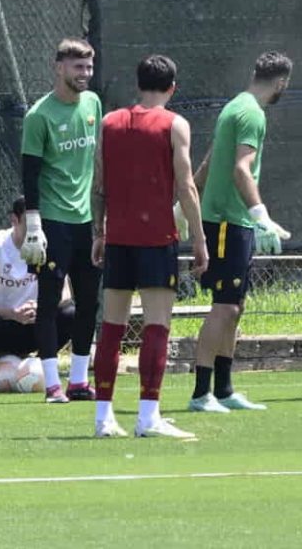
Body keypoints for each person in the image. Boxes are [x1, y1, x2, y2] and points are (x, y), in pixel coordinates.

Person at [90, 55, 208, 438]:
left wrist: (98, 233)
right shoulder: (175, 124)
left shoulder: (109, 123)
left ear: (138, 84)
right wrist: (200, 238)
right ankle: (148, 416)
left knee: (112, 328)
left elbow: (98, 184)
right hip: (156, 239)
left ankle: (103, 418)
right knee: (157, 325)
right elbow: (186, 185)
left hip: (118, 238)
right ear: (172, 88)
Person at [188, 51, 293, 414]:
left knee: (235, 307)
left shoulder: (235, 107)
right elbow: (240, 169)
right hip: (226, 222)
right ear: (281, 82)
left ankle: (224, 389)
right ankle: (201, 394)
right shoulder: (251, 113)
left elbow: (210, 160)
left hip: (233, 222)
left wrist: (187, 202)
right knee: (224, 306)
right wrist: (261, 215)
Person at [19, 38, 103, 403]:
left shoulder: (93, 103)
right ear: (59, 68)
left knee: (89, 303)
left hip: (86, 223)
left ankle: (79, 381)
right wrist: (33, 224)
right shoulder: (39, 115)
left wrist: (102, 215)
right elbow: (29, 173)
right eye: (77, 67)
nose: (85, 73)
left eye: (88, 67)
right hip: (53, 222)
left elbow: (98, 162)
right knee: (50, 301)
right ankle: (52, 384)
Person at [0, 197, 74, 393]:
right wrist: (12, 314)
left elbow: (65, 294)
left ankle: (38, 367)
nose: (36, 230)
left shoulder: (49, 244)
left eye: (40, 223)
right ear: (14, 220)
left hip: (36, 326)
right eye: (31, 223)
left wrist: (41, 307)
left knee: (70, 314)